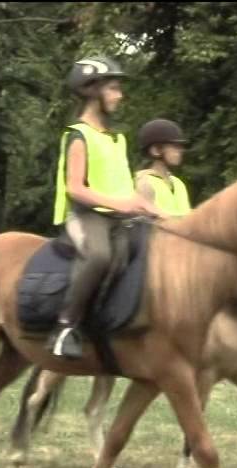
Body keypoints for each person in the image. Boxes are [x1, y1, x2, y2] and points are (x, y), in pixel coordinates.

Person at [48, 56, 164, 360]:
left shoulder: (116, 140)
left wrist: (154, 211)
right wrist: (121, 204)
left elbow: (126, 189)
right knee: (99, 255)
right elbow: (75, 188)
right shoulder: (77, 135)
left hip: (118, 216)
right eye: (113, 88)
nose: (119, 95)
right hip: (84, 216)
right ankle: (65, 328)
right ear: (92, 90)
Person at [135, 118, 192, 217]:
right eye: (175, 146)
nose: (180, 150)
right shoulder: (144, 184)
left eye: (180, 147)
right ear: (156, 150)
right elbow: (144, 225)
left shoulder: (178, 184)